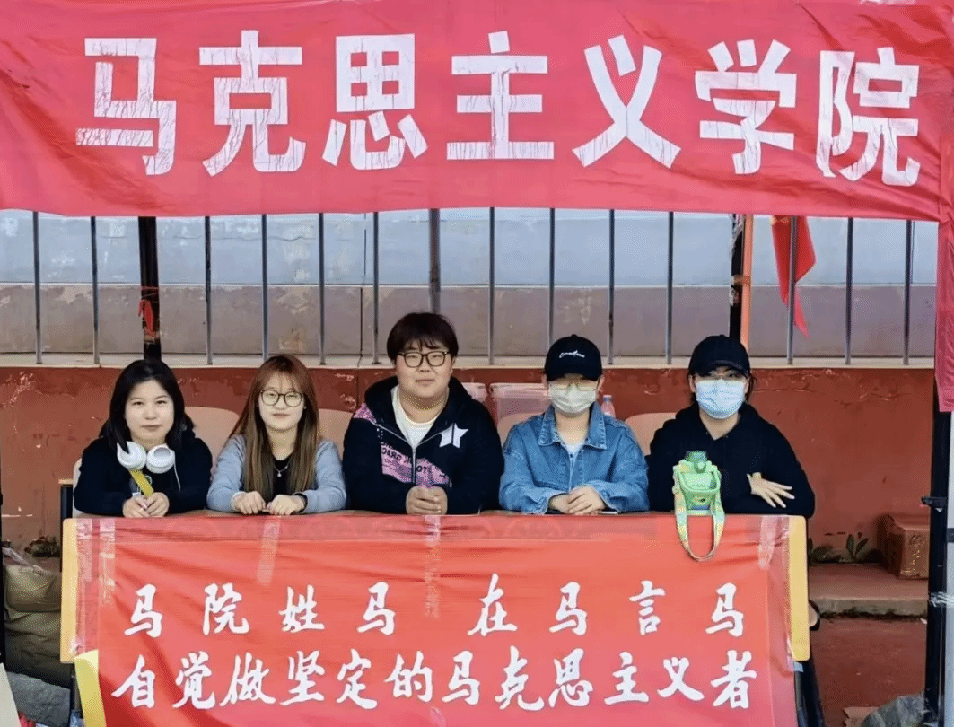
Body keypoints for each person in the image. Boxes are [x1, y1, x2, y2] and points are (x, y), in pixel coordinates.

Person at [646, 334, 819, 629]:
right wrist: (743, 485)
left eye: (732, 376)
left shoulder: (766, 438)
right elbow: (658, 494)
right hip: (684, 562)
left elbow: (801, 503)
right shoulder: (673, 435)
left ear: (747, 384)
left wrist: (698, 492)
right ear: (693, 383)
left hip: (748, 569)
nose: (721, 384)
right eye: (710, 376)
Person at [342, 312, 503, 514]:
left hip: (453, 532)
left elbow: (488, 485)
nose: (425, 367)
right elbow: (358, 485)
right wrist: (403, 500)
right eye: (412, 357)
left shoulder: (475, 420)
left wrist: (449, 502)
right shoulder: (368, 419)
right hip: (384, 532)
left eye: (436, 357)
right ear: (395, 364)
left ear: (452, 362)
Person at [499, 335, 649, 514]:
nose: (573, 388)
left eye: (583, 380)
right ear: (545, 382)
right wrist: (553, 500)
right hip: (542, 533)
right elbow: (510, 490)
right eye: (563, 379)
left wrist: (602, 496)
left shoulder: (619, 437)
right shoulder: (523, 436)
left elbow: (638, 490)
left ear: (600, 383)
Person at [207, 354, 346, 515]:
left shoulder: (322, 450)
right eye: (271, 395)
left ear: (305, 403)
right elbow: (216, 494)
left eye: (292, 396)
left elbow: (336, 494)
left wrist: (300, 501)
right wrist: (238, 500)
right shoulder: (239, 447)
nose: (280, 405)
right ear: (256, 401)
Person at [73, 359, 212, 517]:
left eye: (160, 402)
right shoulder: (100, 452)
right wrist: (122, 505)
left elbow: (199, 493)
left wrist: (169, 501)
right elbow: (84, 496)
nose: (150, 415)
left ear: (175, 407)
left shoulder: (194, 450)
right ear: (122, 410)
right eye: (138, 404)